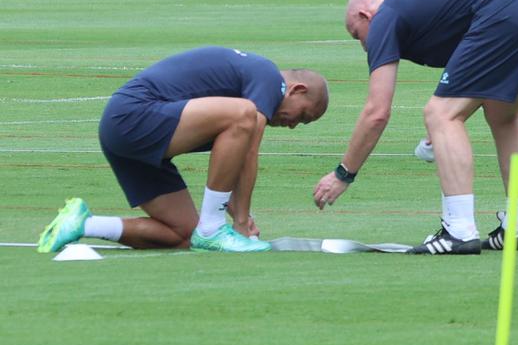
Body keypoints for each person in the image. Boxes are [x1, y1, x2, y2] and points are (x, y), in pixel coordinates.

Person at [314, 0, 518, 255]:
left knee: (439, 114)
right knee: (503, 114)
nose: (362, 45)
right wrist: (439, 134)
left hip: (514, 6)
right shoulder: (424, 9)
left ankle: (459, 231)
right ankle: (517, 225)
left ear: (365, 15)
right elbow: (470, 86)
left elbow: (377, 112)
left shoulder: (386, 15)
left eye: (356, 34)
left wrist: (343, 173)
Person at [37, 47, 329, 253]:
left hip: (124, 134)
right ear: (297, 90)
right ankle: (212, 229)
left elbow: (235, 159)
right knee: (245, 115)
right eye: (302, 116)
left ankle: (83, 224)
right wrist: (240, 222)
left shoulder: (253, 88)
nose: (293, 126)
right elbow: (249, 151)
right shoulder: (270, 78)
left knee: (182, 235)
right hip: (132, 115)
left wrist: (239, 212)